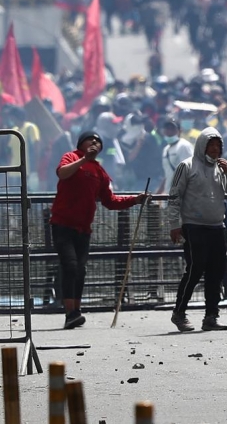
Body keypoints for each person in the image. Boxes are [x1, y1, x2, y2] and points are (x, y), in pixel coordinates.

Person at [50, 131, 148, 329]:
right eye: (90, 140)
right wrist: (84, 159)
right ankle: (69, 312)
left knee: (80, 269)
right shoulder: (71, 157)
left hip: (84, 228)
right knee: (69, 266)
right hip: (62, 223)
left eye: (98, 141)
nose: (94, 142)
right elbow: (62, 173)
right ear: (81, 143)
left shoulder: (100, 172)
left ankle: (76, 311)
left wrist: (134, 200)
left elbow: (110, 201)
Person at [168, 127, 227, 332]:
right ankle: (179, 313)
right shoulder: (186, 166)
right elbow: (174, 197)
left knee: (216, 272)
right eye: (211, 145)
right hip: (194, 226)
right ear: (202, 146)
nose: (215, 149)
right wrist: (175, 224)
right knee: (194, 269)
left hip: (217, 226)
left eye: (218, 145)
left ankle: (211, 316)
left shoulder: (221, 169)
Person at [157, 118, 193, 194]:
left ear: (180, 131)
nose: (169, 132)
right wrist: (158, 192)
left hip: (182, 195)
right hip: (168, 194)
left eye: (172, 129)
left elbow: (190, 171)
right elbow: (168, 174)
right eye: (167, 129)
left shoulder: (184, 146)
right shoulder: (166, 149)